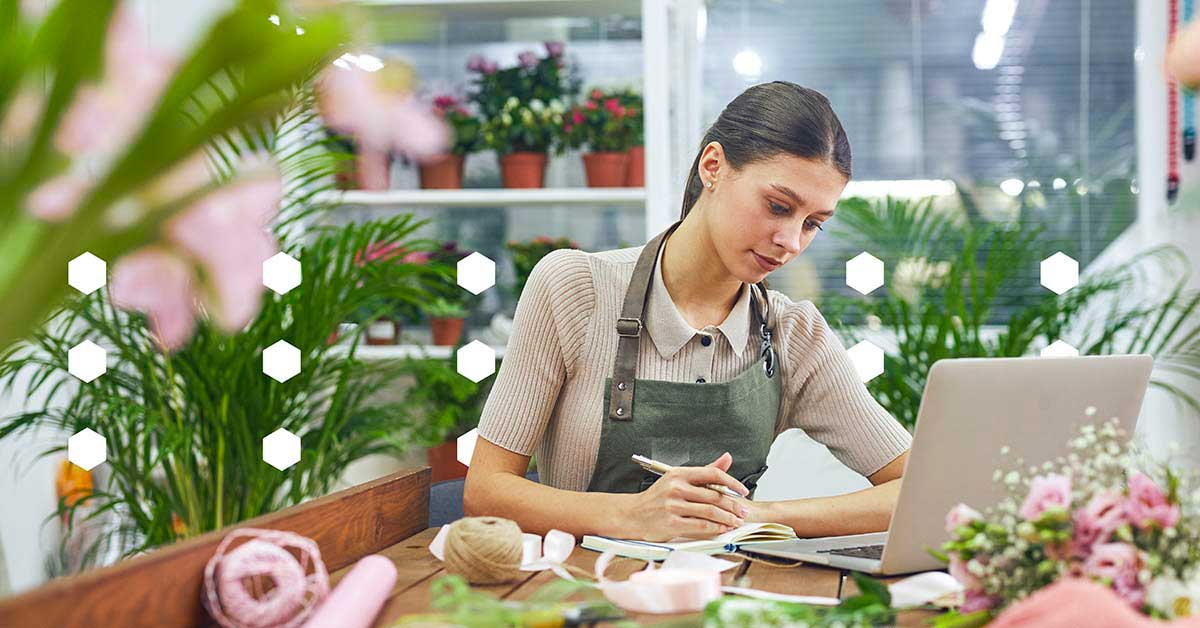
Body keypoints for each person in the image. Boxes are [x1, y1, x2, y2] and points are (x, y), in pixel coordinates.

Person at [463, 81, 912, 542]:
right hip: (579, 597)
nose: (791, 241)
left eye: (813, 223)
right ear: (713, 166)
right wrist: (631, 516)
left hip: (729, 599)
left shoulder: (793, 335)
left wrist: (752, 516)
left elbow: (920, 490)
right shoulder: (575, 289)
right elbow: (486, 491)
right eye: (778, 206)